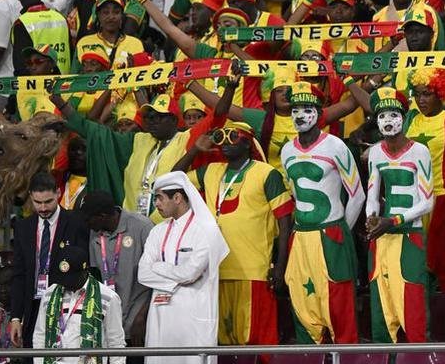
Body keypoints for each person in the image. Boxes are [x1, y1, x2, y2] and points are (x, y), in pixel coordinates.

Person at [177, 119, 290, 349]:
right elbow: (172, 180)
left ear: (248, 143)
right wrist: (196, 150)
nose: (225, 143)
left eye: (233, 137)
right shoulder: (211, 170)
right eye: (221, 137)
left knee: (256, 341)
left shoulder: (267, 174)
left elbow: (285, 222)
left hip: (253, 272)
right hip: (216, 270)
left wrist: (280, 267)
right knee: (223, 341)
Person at [279, 82, 365, 343]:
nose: (300, 115)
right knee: (302, 302)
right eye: (295, 109)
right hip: (301, 237)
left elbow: (357, 194)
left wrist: (341, 231)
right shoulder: (287, 150)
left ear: (319, 112)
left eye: (307, 109)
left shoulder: (336, 146)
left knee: (339, 304)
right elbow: (294, 193)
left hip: (331, 234)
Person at [137, 171, 230, 364]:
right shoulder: (157, 231)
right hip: (160, 317)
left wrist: (158, 266)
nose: (156, 204)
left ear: (177, 198)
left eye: (160, 198)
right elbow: (142, 273)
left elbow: (191, 273)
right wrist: (176, 276)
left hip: (193, 317)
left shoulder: (207, 230)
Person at [365, 87, 435, 342]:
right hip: (382, 236)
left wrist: (392, 221)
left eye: (393, 114)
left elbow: (427, 202)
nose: (388, 121)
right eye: (382, 116)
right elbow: (372, 195)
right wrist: (372, 217)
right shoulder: (374, 153)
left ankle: (418, 353)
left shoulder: (420, 151)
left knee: (413, 298)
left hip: (410, 235)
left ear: (403, 118)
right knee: (382, 299)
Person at [7, 171, 91, 346]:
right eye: (38, 202)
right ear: (30, 197)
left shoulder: (76, 223)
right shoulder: (23, 227)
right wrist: (15, 317)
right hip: (33, 307)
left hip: (65, 306)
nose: (43, 208)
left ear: (58, 194)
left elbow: (84, 270)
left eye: (48, 202)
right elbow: (19, 275)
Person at [80, 190, 154, 347]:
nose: (86, 224)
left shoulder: (142, 227)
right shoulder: (95, 235)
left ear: (102, 216)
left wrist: (143, 316)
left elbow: (159, 279)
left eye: (88, 219)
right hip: (109, 324)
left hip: (138, 323)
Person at [31, 245, 126, 361]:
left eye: (72, 278)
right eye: (63, 278)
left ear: (85, 270)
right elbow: (40, 335)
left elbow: (116, 342)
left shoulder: (108, 297)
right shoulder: (49, 294)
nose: (66, 284)